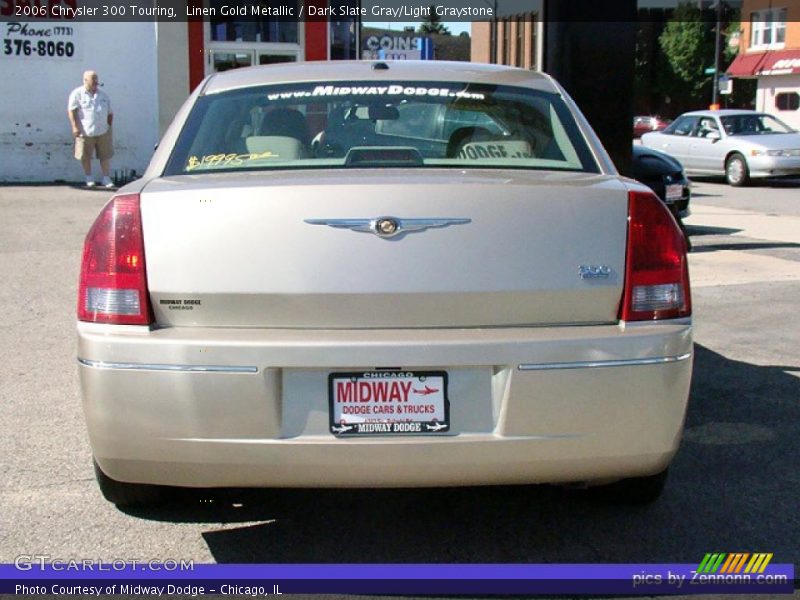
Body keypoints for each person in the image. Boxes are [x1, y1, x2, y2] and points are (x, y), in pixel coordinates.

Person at [67, 70, 114, 188]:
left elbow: (110, 113)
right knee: (85, 155)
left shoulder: (103, 95)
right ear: (85, 80)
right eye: (92, 79)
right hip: (85, 131)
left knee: (105, 155)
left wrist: (108, 126)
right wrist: (74, 127)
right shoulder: (77, 94)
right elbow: (72, 111)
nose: (95, 82)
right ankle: (89, 177)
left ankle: (106, 178)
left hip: (102, 131)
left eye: (96, 79)